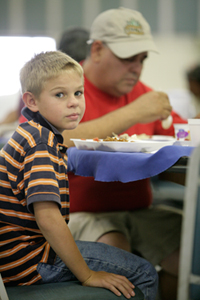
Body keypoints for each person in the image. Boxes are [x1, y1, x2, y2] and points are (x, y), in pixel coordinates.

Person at [0, 50, 158, 300]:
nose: (74, 102)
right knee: (144, 272)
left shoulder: (32, 133)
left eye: (78, 92)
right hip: (29, 259)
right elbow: (49, 218)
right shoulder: (41, 145)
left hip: (13, 254)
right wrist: (87, 275)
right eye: (60, 94)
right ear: (31, 101)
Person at [61, 7, 187, 300]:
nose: (137, 68)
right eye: (128, 58)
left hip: (139, 211)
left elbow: (183, 135)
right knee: (117, 256)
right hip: (81, 213)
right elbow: (53, 139)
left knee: (189, 245)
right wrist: (134, 112)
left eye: (142, 59)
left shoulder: (141, 92)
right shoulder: (64, 87)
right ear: (97, 49)